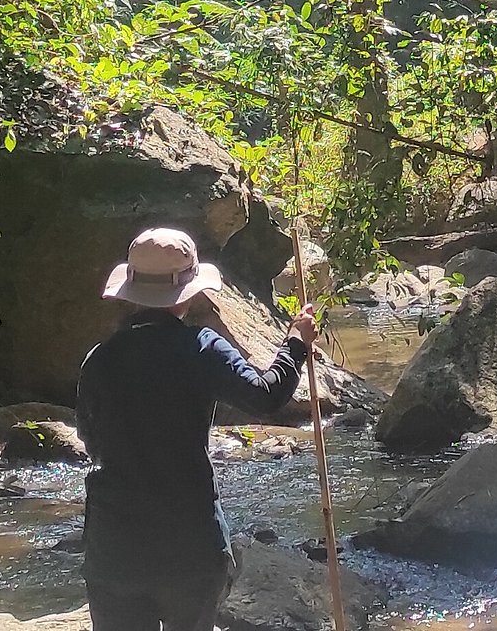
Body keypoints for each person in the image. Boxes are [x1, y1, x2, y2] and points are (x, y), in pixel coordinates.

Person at [76, 225, 321, 631]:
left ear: (131, 292)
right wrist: (296, 343)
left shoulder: (99, 360)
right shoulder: (203, 348)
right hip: (190, 546)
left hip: (114, 547)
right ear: (187, 293)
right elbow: (267, 396)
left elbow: (89, 438)